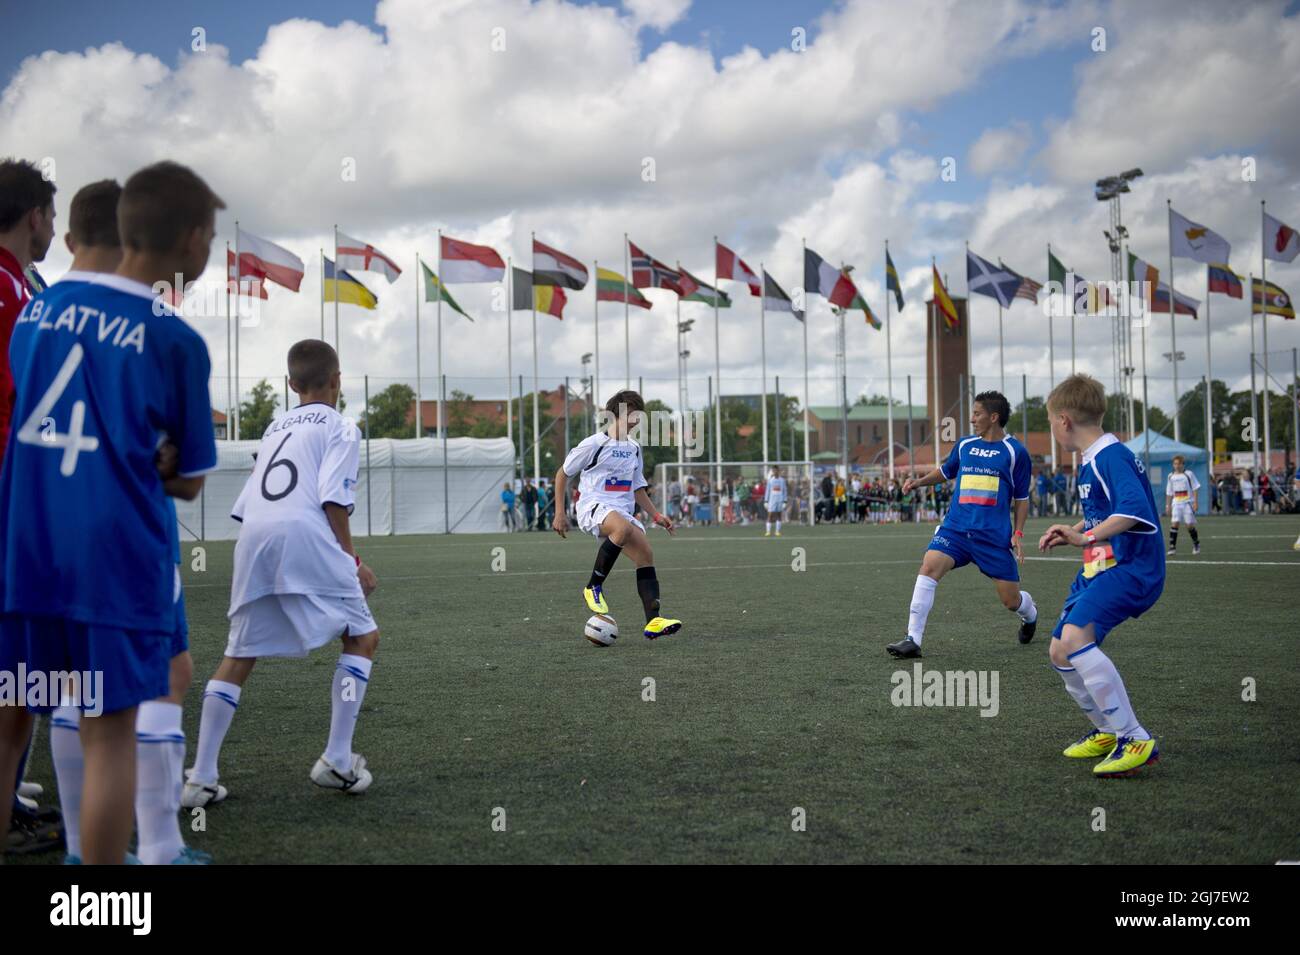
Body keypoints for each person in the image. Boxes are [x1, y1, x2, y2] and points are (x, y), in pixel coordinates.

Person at [0, 161, 220, 863]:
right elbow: (187, 479)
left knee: (9, 726)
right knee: (108, 734)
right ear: (191, 241)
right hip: (115, 562)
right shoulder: (172, 335)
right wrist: (158, 460)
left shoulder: (36, 309)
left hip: (26, 552)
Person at [183, 339, 380, 807]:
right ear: (338, 380)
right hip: (303, 531)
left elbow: (250, 501)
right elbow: (333, 496)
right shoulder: (340, 426)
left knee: (240, 652)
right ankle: (336, 758)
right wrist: (352, 561)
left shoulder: (274, 428)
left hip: (254, 537)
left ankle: (201, 777)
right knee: (362, 636)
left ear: (290, 385)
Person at [1038, 374, 1163, 778]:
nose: (1051, 429)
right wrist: (1072, 529)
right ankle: (1108, 731)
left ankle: (1135, 737)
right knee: (1059, 651)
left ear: (1064, 420)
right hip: (1100, 565)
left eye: (1050, 422)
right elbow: (1103, 512)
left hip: (1131, 568)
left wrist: (1083, 536)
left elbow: (1133, 511)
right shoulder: (1094, 459)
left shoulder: (1112, 456)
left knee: (1076, 639)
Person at [886, 391, 1037, 659]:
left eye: (977, 413)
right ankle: (913, 639)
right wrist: (919, 482)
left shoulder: (1016, 452)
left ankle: (1030, 614)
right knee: (929, 567)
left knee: (1010, 601)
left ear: (994, 417)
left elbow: (1022, 498)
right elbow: (945, 471)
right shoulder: (965, 445)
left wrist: (1018, 533)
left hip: (991, 538)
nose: (971, 419)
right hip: (955, 529)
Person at [551, 389, 681, 639]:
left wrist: (656, 516)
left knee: (645, 554)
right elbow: (562, 474)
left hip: (620, 511)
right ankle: (593, 587)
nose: (636, 418)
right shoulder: (594, 444)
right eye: (631, 412)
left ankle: (653, 622)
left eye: (638, 413)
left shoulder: (634, 448)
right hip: (593, 505)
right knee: (622, 528)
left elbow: (637, 488)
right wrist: (559, 512)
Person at [1164, 454, 1201, 555]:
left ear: (1183, 464)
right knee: (1174, 523)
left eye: (1179, 464)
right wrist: (1167, 506)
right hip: (1176, 503)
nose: (1177, 466)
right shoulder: (1170, 476)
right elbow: (1169, 492)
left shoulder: (1188, 474)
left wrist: (1195, 502)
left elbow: (1195, 488)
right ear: (1173, 465)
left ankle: (1196, 544)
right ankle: (1172, 547)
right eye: (1175, 464)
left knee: (1189, 525)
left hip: (1187, 503)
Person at [764, 466, 788, 536]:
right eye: (773, 471)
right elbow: (767, 491)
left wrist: (785, 501)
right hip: (772, 500)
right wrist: (766, 501)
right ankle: (768, 531)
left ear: (778, 471)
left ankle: (777, 531)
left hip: (780, 500)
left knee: (779, 515)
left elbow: (784, 491)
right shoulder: (770, 480)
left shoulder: (782, 480)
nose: (775, 472)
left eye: (776, 471)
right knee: (770, 515)